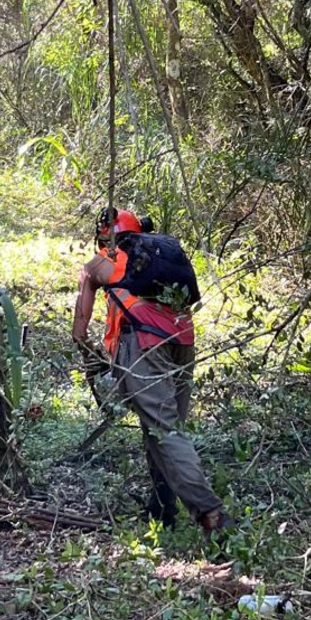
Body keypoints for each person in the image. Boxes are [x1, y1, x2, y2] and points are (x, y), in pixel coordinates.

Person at [72, 207, 232, 533]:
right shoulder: (156, 260)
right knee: (162, 429)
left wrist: (94, 358)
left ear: (105, 236)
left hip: (143, 343)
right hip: (183, 340)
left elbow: (79, 331)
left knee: (165, 430)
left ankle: (211, 512)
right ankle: (162, 507)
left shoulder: (99, 264)